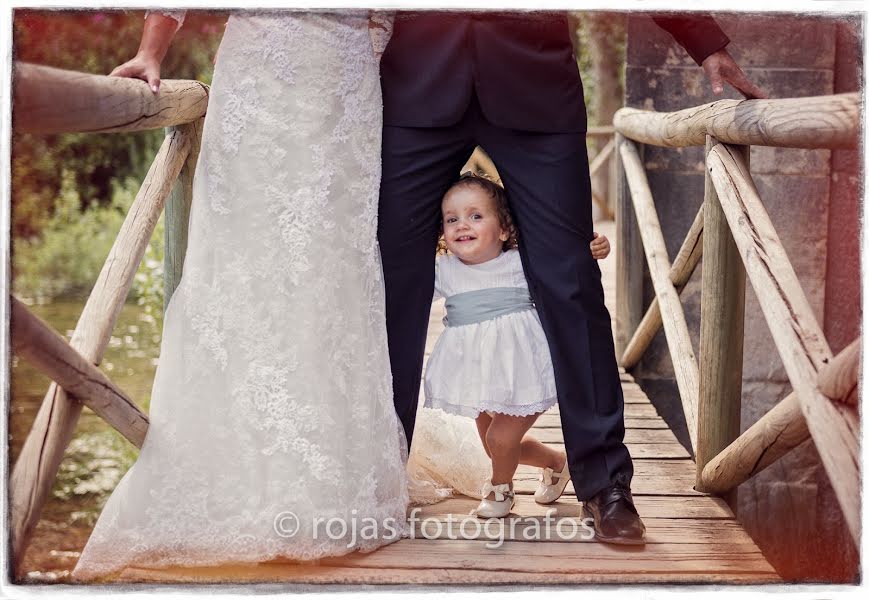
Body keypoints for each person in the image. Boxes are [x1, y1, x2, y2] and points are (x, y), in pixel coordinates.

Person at [377, 12, 765, 544]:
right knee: (389, 288)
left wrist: (702, 41)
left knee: (572, 285)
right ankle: (376, 478)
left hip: (534, 87)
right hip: (416, 86)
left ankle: (606, 484)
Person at [72, 10, 411, 580]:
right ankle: (235, 472)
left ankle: (329, 480)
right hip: (260, 76)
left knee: (331, 273)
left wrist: (370, 46)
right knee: (242, 263)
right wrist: (151, 50)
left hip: (346, 87)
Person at [423, 172, 610, 518]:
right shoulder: (444, 270)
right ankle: (556, 463)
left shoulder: (520, 261)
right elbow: (408, 292)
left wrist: (593, 249)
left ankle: (501, 492)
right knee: (494, 445)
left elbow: (565, 262)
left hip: (522, 364)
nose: (462, 225)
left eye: (476, 216)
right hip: (474, 370)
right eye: (452, 219)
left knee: (500, 441)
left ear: (505, 228)